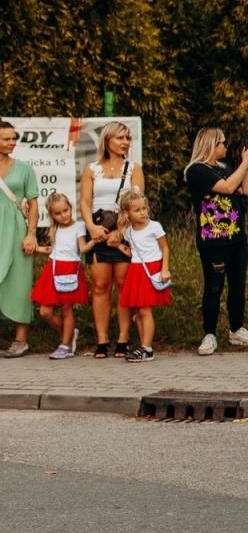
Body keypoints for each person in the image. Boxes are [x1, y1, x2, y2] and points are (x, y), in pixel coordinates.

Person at [183, 128, 248, 356]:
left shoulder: (226, 167)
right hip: (213, 239)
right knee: (214, 285)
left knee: (237, 284)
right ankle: (209, 333)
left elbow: (246, 191)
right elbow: (226, 188)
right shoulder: (197, 170)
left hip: (237, 237)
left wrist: (247, 164)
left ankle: (236, 328)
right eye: (223, 143)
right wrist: (244, 163)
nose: (226, 147)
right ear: (210, 144)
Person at [78, 121, 143, 356]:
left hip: (124, 230)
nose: (125, 142)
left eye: (127, 138)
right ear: (107, 141)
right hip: (98, 230)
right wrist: (91, 228)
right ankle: (103, 340)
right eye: (120, 138)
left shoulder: (134, 168)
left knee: (123, 286)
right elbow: (85, 202)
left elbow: (137, 202)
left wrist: (121, 230)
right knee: (100, 286)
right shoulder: (92, 169)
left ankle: (124, 338)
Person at [30, 193, 92, 358]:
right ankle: (70, 334)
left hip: (69, 269)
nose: (63, 215)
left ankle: (65, 346)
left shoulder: (79, 226)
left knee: (66, 309)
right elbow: (54, 249)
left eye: (65, 210)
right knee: (45, 312)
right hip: (53, 269)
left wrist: (95, 240)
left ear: (71, 207)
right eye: (58, 213)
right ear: (52, 215)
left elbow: (83, 248)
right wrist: (36, 249)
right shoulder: (55, 228)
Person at [114, 189, 169, 362]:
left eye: (144, 208)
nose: (143, 212)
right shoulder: (128, 231)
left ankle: (147, 348)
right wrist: (119, 247)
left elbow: (165, 248)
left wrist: (164, 269)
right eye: (137, 210)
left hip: (151, 268)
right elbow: (132, 251)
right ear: (127, 213)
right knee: (138, 310)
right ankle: (144, 346)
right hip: (136, 270)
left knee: (145, 309)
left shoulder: (155, 226)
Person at [0, 120, 40, 357]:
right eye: (6, 138)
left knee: (19, 281)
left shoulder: (24, 169)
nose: (12, 142)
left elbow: (34, 203)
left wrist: (31, 234)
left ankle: (21, 340)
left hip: (16, 230)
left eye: (14, 138)